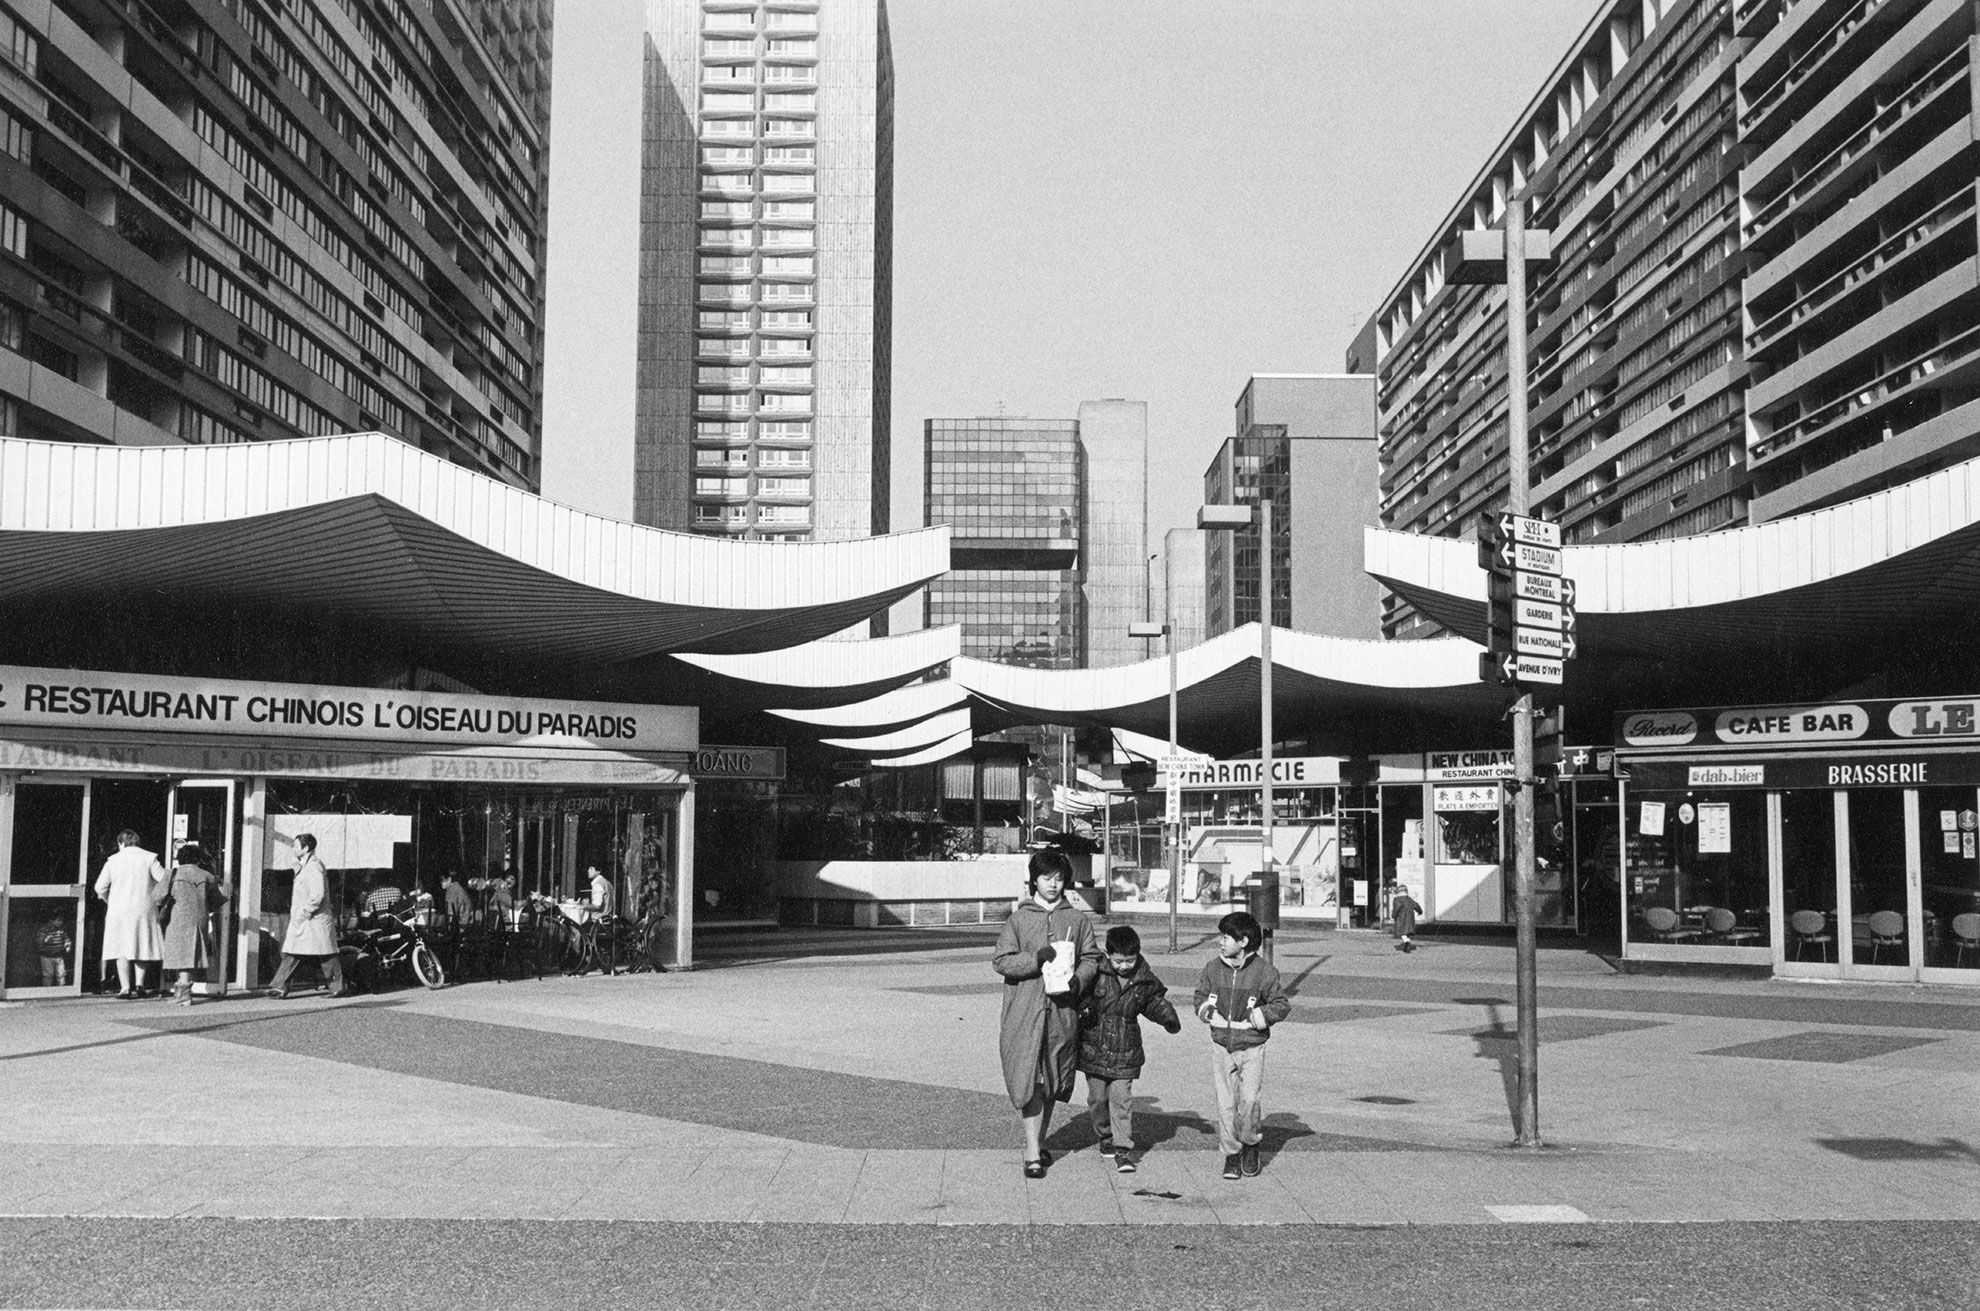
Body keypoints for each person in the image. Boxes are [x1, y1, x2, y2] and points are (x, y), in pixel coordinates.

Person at [991, 849, 1102, 1179]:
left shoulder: (1077, 920)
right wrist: (1035, 959)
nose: (1053, 884)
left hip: (1062, 1011)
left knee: (1052, 1078)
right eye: (1046, 878)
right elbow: (1001, 961)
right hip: (1024, 1011)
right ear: (1034, 881)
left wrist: (1078, 980)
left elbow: (1091, 958)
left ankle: (1037, 1143)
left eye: (1059, 878)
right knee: (1030, 1077)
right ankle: (1032, 1151)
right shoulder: (1019, 919)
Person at [1193, 909, 1292, 1181]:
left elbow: (1281, 1004)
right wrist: (1207, 1011)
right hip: (1221, 1045)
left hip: (1251, 1046)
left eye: (1226, 937)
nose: (1221, 942)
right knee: (1225, 1104)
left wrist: (1260, 1017)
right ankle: (1231, 1153)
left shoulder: (1264, 972)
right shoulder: (1213, 968)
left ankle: (1250, 1143)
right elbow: (1200, 996)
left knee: (1249, 1101)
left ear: (1244, 941)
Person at [1076, 924, 1180, 1173]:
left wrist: (1168, 1017)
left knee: (1121, 1100)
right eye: (1119, 961)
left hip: (1126, 1051)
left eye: (1130, 960)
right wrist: (1082, 1009)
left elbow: (1154, 1001)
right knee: (1097, 1099)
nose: (1124, 966)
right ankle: (1105, 1134)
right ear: (1108, 954)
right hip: (1094, 1048)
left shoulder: (1143, 978)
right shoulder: (1095, 972)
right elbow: (1078, 994)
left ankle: (1123, 1149)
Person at [266, 833, 346, 999]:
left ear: (306, 848)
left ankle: (337, 987)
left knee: (325, 954)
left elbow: (317, 894)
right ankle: (280, 986)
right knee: (296, 952)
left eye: (296, 846)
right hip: (307, 920)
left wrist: (305, 912)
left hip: (313, 919)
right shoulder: (305, 865)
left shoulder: (314, 866)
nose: (293, 849)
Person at [93, 829, 166, 998]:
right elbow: (163, 880)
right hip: (144, 908)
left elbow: (99, 887)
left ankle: (125, 987)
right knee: (141, 944)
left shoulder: (113, 860)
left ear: (121, 843)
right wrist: (156, 899)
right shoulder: (149, 858)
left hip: (119, 910)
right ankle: (140, 985)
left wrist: (108, 900)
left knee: (121, 947)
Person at [154, 844, 228, 1006]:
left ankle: (183, 994)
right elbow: (217, 900)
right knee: (191, 954)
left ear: (179, 859)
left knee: (181, 954)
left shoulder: (172, 874)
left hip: (177, 918)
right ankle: (182, 993)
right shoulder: (206, 876)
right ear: (198, 859)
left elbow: (157, 897)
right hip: (199, 919)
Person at [36, 914, 72, 986]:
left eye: (61, 921)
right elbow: (39, 942)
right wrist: (45, 940)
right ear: (51, 921)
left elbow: (66, 939)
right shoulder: (44, 930)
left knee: (61, 974)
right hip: (47, 957)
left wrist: (67, 945)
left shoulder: (62, 931)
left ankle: (61, 990)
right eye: (58, 920)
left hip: (59, 956)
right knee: (48, 975)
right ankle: (47, 990)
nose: (60, 922)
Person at [1391, 886, 1423, 953]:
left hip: (1401, 918)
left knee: (1402, 932)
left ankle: (1407, 942)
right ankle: (1407, 944)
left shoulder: (1397, 899)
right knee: (1407, 932)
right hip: (1410, 918)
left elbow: (1396, 909)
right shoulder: (1409, 899)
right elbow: (1416, 905)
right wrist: (1420, 911)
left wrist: (1393, 915)